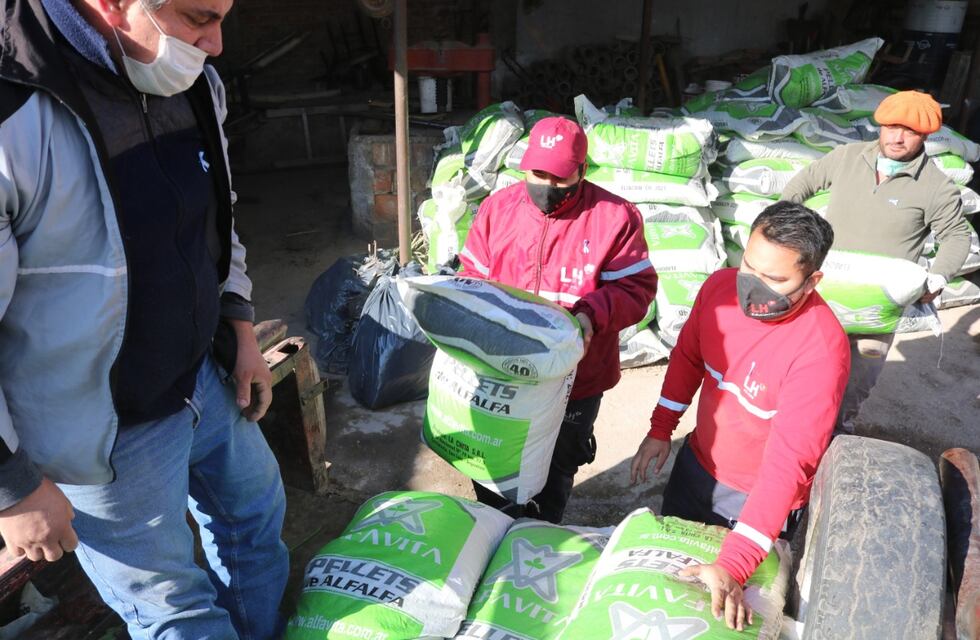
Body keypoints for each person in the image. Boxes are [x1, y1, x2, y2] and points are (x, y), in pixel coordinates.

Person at [0, 0, 288, 637]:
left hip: (202, 382)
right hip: (102, 435)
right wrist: (13, 490)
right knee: (174, 611)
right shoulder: (13, 106)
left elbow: (218, 218)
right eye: (197, 18)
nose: (215, 45)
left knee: (256, 526)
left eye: (223, 19)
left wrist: (239, 329)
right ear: (110, 5)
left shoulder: (188, 79)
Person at [630, 202, 850, 631]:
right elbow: (689, 358)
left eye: (775, 279)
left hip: (755, 504)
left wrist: (735, 562)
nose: (753, 287)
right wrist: (660, 430)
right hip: (696, 467)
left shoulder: (821, 351)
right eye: (750, 267)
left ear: (812, 280)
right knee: (667, 597)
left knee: (725, 616)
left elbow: (788, 467)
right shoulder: (717, 290)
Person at [459, 116, 657, 524]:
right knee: (495, 458)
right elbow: (472, 279)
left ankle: (544, 528)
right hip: (504, 372)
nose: (545, 186)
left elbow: (637, 290)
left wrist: (589, 315)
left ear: (582, 172)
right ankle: (496, 526)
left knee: (558, 462)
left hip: (578, 377)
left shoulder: (615, 217)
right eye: (537, 173)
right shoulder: (498, 210)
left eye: (559, 178)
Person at [781, 90, 972, 434]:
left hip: (876, 311)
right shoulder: (848, 158)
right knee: (800, 370)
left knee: (855, 383)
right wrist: (785, 234)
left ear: (926, 136)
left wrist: (938, 277)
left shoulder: (936, 187)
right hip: (824, 293)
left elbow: (957, 237)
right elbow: (801, 186)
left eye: (910, 131)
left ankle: (837, 438)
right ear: (879, 125)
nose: (897, 138)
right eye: (892, 127)